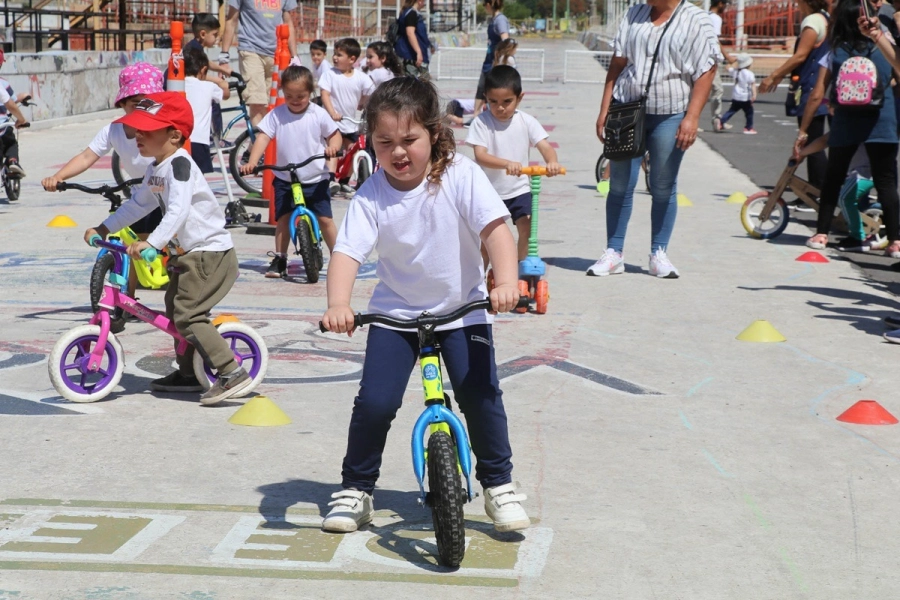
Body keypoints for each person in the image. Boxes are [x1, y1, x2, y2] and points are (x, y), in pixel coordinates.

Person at [319, 77, 530, 534]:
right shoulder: (373, 192)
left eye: (409, 140)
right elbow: (347, 253)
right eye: (384, 142)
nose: (398, 152)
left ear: (434, 133)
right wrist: (339, 303)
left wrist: (506, 282)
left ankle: (499, 484)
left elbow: (496, 230)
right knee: (374, 402)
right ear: (370, 142)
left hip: (462, 310)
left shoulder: (460, 175)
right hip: (395, 316)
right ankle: (357, 488)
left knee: (480, 393)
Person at [82, 92, 249, 404]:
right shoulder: (156, 168)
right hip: (188, 256)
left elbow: (178, 211)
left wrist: (151, 242)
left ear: (174, 136)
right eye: (137, 130)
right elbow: (137, 206)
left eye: (147, 131)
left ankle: (230, 371)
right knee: (175, 310)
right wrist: (105, 228)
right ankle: (188, 374)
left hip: (209, 255)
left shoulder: (180, 166)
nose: (137, 137)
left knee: (188, 315)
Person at [591, 0, 720, 279]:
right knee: (620, 183)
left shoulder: (696, 20)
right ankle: (614, 253)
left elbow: (707, 70)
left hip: (670, 114)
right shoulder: (635, 13)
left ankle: (658, 253)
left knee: (662, 184)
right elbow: (617, 63)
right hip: (627, 110)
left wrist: (692, 117)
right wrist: (604, 109)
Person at [41, 63, 163, 300]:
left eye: (147, 103)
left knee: (174, 249)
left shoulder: (161, 128)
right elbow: (87, 156)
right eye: (133, 103)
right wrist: (58, 177)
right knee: (130, 246)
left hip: (166, 193)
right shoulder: (113, 131)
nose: (140, 109)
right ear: (122, 104)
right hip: (140, 195)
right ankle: (127, 300)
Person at [794, 0, 900, 258]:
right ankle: (896, 241)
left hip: (846, 119)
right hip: (882, 120)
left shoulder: (837, 50)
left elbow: (818, 93)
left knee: (834, 177)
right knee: (886, 182)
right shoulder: (885, 49)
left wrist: (804, 130)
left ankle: (821, 234)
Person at [240, 66, 341, 279]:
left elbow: (334, 135)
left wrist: (332, 146)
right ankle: (280, 258)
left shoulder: (318, 113)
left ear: (310, 93)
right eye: (289, 96)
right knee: (283, 219)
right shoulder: (277, 114)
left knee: (325, 219)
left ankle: (340, 257)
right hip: (285, 177)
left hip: (314, 177)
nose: (295, 100)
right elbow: (264, 137)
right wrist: (253, 160)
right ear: (283, 93)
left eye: (301, 96)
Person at [467, 65, 560, 262]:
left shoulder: (526, 121)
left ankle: (519, 269)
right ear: (486, 98)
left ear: (520, 98)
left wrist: (552, 162)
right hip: (490, 190)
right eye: (493, 102)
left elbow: (544, 146)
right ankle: (480, 280)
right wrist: (506, 164)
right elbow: (480, 155)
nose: (500, 107)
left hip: (519, 189)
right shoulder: (481, 123)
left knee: (527, 227)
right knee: (487, 239)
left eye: (507, 102)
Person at [758, 0, 830, 194]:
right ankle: (814, 187)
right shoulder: (826, 18)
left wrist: (774, 76)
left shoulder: (812, 21)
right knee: (815, 139)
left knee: (810, 139)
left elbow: (801, 55)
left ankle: (818, 189)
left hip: (811, 86)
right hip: (823, 85)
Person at [220, 0, 298, 127]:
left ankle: (261, 144)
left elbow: (288, 23)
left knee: (273, 103)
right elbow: (231, 21)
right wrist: (224, 57)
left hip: (276, 53)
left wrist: (295, 56)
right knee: (257, 101)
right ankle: (260, 143)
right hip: (251, 50)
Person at [319, 38, 375, 196]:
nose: (335, 57)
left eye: (339, 55)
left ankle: (344, 181)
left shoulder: (360, 77)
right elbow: (325, 94)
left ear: (352, 59)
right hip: (332, 122)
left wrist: (363, 104)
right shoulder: (329, 74)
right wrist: (332, 113)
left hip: (350, 122)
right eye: (335, 54)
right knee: (334, 150)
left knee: (354, 151)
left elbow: (371, 93)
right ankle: (330, 179)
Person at [184, 46, 229, 174]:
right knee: (198, 176)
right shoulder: (209, 86)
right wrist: (223, 85)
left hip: (178, 139)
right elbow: (225, 95)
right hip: (199, 140)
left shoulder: (176, 85)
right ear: (203, 70)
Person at [473, 0, 510, 116]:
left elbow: (506, 40)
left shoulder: (500, 20)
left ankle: (478, 115)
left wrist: (500, 60)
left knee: (488, 89)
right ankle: (476, 115)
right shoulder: (493, 20)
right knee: (482, 89)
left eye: (485, 5)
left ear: (489, 5)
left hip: (494, 63)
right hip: (489, 61)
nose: (484, 8)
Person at [707, 0, 736, 130]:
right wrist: (727, 56)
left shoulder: (704, 15)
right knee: (717, 89)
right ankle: (716, 120)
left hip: (699, 58)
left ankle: (716, 120)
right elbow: (715, 41)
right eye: (725, 4)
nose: (725, 7)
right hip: (709, 60)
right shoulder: (716, 19)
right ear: (720, 3)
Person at [715, 53, 757, 134]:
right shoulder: (750, 74)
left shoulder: (735, 71)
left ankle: (721, 121)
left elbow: (727, 68)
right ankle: (748, 128)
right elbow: (753, 85)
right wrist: (754, 95)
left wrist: (731, 61)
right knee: (749, 112)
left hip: (736, 95)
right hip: (745, 97)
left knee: (732, 110)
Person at [0, 70, 30, 177]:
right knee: (11, 142)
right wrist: (21, 120)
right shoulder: (2, 83)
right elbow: (11, 103)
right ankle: (13, 161)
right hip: (2, 129)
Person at [393, 0, 431, 78]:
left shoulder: (410, 13)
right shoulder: (411, 13)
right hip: (411, 56)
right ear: (419, 1)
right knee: (416, 85)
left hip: (412, 55)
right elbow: (410, 33)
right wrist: (418, 52)